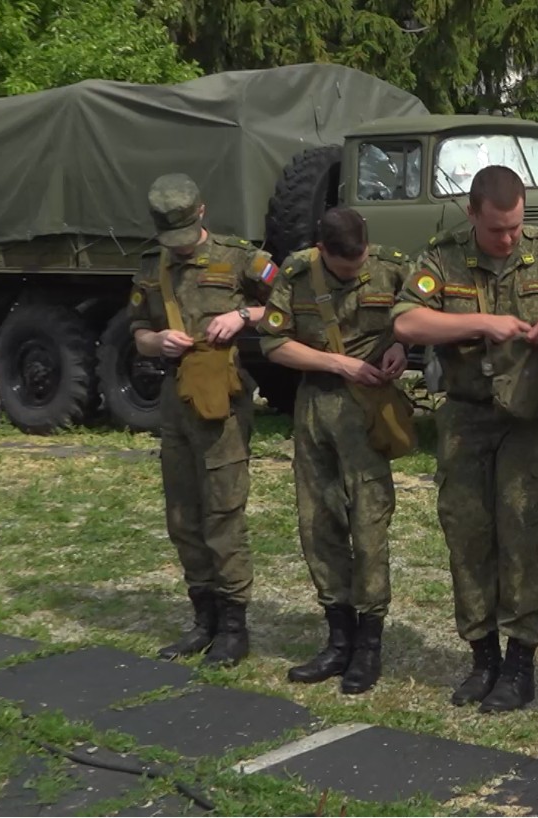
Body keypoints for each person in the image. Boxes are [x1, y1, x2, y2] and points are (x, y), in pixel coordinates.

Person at [393, 165, 538, 713]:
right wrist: (477, 324)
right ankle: (483, 657)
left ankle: (520, 663)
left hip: (531, 419)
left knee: (524, 536)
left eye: (515, 227)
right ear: (473, 214)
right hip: (467, 416)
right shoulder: (443, 256)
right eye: (497, 229)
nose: (508, 239)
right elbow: (406, 322)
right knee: (468, 535)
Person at [258, 207, 411, 694]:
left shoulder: (390, 267)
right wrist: (339, 364)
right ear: (322, 252)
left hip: (367, 412)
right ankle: (337, 639)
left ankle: (368, 646)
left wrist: (401, 348)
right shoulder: (297, 274)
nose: (356, 272)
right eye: (345, 268)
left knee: (369, 525)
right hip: (317, 406)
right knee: (318, 522)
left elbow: (413, 318)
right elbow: (273, 343)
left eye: (360, 262)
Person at [129, 173, 278, 668]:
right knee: (182, 515)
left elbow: (288, 302)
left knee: (222, 513)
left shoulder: (241, 258)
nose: (181, 249)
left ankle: (234, 626)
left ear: (202, 213)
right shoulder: (153, 267)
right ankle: (204, 619)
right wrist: (156, 343)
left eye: (186, 237)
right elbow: (137, 331)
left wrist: (244, 316)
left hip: (223, 399)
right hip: (176, 398)